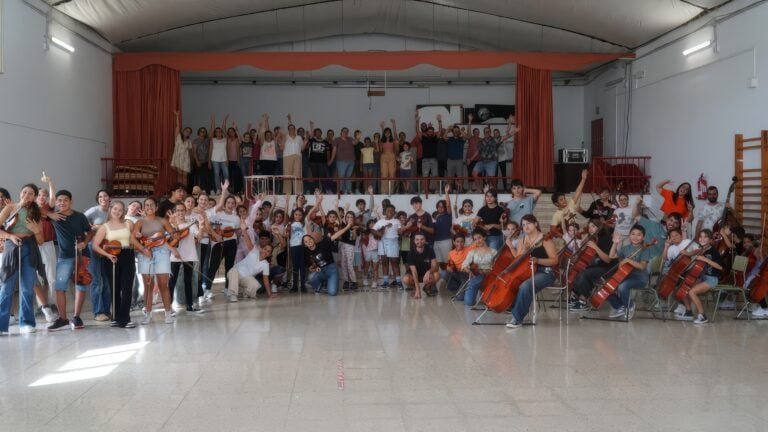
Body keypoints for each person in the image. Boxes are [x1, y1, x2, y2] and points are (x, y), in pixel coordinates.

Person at [45, 187, 95, 331]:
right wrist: (50, 213)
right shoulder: (54, 216)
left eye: (65, 200)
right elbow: (37, 209)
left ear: (71, 201)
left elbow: (90, 231)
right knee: (60, 288)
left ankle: (77, 317)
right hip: (64, 257)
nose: (62, 203)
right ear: (56, 202)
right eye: (59, 200)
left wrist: (85, 242)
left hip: (82, 255)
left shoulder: (80, 216)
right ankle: (63, 319)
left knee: (81, 286)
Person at [0, 184, 46, 335]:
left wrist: (36, 230)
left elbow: (40, 241)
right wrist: (9, 236)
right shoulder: (10, 208)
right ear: (20, 193)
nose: (27, 195)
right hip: (11, 247)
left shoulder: (36, 212)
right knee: (7, 287)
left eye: (31, 193)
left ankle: (26, 323)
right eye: (25, 192)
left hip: (30, 247)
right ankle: (1, 325)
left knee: (27, 287)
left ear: (34, 197)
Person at [90, 201, 139, 328]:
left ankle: (125, 318)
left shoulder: (129, 223)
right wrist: (107, 255)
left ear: (123, 212)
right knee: (114, 289)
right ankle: (116, 318)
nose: (117, 211)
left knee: (127, 289)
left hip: (128, 255)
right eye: (115, 209)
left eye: (120, 210)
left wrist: (138, 236)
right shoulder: (104, 226)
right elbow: (95, 246)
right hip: (112, 258)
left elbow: (134, 239)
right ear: (110, 209)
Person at [132, 197, 180, 325]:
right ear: (144, 207)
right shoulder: (140, 222)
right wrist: (143, 249)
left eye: (152, 205)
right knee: (148, 285)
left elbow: (176, 236)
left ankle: (168, 314)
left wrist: (174, 225)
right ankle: (148, 314)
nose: (149, 207)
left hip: (162, 252)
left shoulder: (163, 220)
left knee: (163, 284)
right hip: (145, 253)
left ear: (156, 207)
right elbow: (133, 239)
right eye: (147, 205)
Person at [506, 215, 559, 328]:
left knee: (525, 285)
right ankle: (512, 307)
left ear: (536, 224)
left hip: (545, 272)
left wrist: (538, 260)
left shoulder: (545, 239)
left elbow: (554, 260)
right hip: (528, 271)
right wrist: (517, 249)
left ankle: (517, 318)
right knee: (514, 282)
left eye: (528, 223)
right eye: (523, 225)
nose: (526, 226)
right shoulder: (522, 240)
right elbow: (517, 260)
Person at [601, 225, 653, 320]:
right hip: (625, 276)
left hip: (640, 278)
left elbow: (642, 266)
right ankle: (619, 307)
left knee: (622, 286)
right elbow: (611, 256)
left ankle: (630, 306)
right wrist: (615, 243)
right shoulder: (625, 248)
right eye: (633, 234)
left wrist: (628, 260)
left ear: (643, 237)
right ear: (629, 235)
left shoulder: (645, 249)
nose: (635, 237)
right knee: (607, 285)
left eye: (639, 235)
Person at [569, 219, 615, 311]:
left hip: (608, 268)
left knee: (586, 273)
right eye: (589, 227)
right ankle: (577, 295)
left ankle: (583, 300)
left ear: (599, 227)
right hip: (597, 266)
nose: (590, 229)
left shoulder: (606, 239)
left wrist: (595, 247)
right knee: (579, 270)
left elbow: (608, 260)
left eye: (593, 226)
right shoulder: (594, 239)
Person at [678, 229, 723, 324]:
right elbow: (691, 253)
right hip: (702, 278)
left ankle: (702, 316)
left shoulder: (713, 252)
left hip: (711, 280)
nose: (702, 239)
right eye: (701, 236)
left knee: (692, 292)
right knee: (684, 287)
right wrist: (685, 252)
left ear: (710, 240)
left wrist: (705, 259)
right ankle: (688, 311)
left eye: (705, 237)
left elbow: (720, 267)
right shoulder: (701, 250)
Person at [168, 203, 205, 312]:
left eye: (182, 210)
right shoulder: (170, 225)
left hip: (189, 255)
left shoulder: (191, 225)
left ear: (185, 211)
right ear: (175, 212)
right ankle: (168, 306)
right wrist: (173, 225)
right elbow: (168, 241)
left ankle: (189, 305)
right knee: (172, 280)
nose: (180, 213)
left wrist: (201, 226)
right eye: (178, 210)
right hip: (176, 255)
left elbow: (199, 237)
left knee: (188, 280)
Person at [226, 221, 273, 301]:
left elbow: (266, 281)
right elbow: (248, 240)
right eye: (265, 249)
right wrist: (244, 230)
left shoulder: (265, 264)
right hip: (234, 273)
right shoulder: (254, 251)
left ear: (269, 254)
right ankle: (233, 294)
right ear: (262, 249)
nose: (266, 252)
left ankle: (245, 292)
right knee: (234, 271)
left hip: (245, 278)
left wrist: (270, 295)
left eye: (268, 251)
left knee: (256, 285)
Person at [84, 189, 112, 321]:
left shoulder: (113, 210)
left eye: (105, 196)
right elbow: (81, 222)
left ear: (109, 198)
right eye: (100, 197)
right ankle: (98, 312)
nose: (103, 198)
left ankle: (107, 311)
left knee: (107, 282)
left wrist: (101, 227)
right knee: (95, 281)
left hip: (109, 249)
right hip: (93, 248)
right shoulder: (93, 211)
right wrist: (91, 227)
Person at [303, 221, 352, 296]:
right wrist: (315, 269)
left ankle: (329, 282)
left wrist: (347, 227)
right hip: (321, 271)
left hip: (331, 270)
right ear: (305, 245)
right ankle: (319, 285)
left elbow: (335, 235)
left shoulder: (323, 244)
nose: (309, 242)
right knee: (311, 277)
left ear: (313, 239)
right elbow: (310, 268)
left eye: (310, 239)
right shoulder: (307, 253)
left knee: (332, 293)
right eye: (306, 241)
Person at [457, 229, 497, 306]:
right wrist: (469, 271)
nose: (478, 241)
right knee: (469, 302)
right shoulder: (472, 252)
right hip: (476, 276)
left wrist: (488, 271)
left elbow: (497, 266)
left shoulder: (494, 251)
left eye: (479, 238)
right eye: (475, 239)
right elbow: (464, 265)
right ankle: (478, 291)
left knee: (490, 303)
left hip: (489, 277)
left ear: (484, 237)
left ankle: (484, 293)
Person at [402, 233, 440, 299]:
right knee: (406, 279)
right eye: (417, 239)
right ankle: (415, 288)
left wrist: (428, 271)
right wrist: (418, 290)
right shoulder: (410, 253)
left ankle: (427, 287)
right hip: (414, 275)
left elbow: (435, 266)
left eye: (422, 239)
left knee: (437, 275)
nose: (419, 241)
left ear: (425, 240)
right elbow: (414, 272)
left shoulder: (430, 250)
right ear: (414, 241)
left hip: (426, 275)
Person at [372, 205, 403, 288]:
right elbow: (373, 230)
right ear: (384, 212)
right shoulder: (380, 221)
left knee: (395, 263)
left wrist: (400, 231)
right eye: (388, 210)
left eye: (392, 210)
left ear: (394, 212)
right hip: (382, 242)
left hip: (393, 242)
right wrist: (378, 233)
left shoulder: (397, 221)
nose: (390, 212)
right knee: (384, 263)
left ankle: (399, 282)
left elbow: (400, 231)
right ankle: (385, 282)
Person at [280, 114, 309, 196]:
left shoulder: (299, 138)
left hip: (297, 157)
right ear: (288, 130)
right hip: (287, 156)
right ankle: (287, 192)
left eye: (293, 128)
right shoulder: (285, 137)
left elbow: (302, 149)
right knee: (287, 174)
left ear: (295, 129)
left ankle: (298, 192)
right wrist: (282, 141)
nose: (291, 129)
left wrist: (306, 141)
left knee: (297, 174)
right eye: (290, 128)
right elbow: (282, 148)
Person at [432, 185, 454, 265]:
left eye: (442, 206)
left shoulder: (448, 215)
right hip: (436, 242)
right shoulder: (436, 218)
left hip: (446, 241)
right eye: (438, 207)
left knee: (447, 262)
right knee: (439, 263)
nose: (440, 208)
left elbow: (448, 204)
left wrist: (446, 192)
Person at [209, 114, 229, 195]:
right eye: (216, 131)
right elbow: (210, 151)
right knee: (216, 175)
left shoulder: (225, 139)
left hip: (224, 159)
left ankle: (226, 189)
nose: (218, 133)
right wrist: (209, 161)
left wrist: (224, 121)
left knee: (226, 175)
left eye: (219, 131)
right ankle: (218, 189)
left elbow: (226, 150)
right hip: (215, 160)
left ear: (221, 132)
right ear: (215, 133)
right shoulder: (212, 140)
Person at [171, 110, 192, 185]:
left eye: (189, 131)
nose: (187, 132)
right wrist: (177, 116)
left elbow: (190, 152)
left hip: (186, 160)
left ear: (190, 134)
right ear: (183, 131)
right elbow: (177, 126)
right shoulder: (178, 137)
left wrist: (191, 161)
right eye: (186, 130)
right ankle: (180, 189)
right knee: (180, 175)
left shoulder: (189, 141)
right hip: (178, 158)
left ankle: (184, 190)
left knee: (185, 175)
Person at [334, 127, 356, 194]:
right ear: (341, 132)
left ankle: (348, 190)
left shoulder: (350, 139)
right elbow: (334, 150)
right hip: (341, 161)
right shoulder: (337, 139)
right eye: (344, 131)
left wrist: (357, 138)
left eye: (347, 131)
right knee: (341, 176)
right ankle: (340, 190)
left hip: (351, 161)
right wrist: (331, 159)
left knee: (348, 176)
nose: (345, 133)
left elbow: (355, 143)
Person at [191, 126, 212, 194]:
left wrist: (213, 121)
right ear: (199, 132)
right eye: (201, 131)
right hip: (198, 161)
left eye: (204, 131)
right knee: (198, 177)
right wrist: (197, 161)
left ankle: (204, 190)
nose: (203, 133)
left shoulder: (207, 140)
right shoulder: (195, 141)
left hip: (206, 161)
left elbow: (212, 130)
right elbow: (194, 152)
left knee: (205, 177)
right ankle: (197, 191)